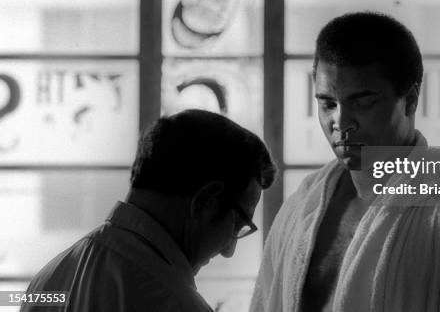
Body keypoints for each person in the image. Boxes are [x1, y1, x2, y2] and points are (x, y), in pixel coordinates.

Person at [250, 12, 440, 312]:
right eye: (328, 104)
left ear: (409, 101)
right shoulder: (302, 205)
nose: (341, 122)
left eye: (363, 101)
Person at [22, 109, 276, 312]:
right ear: (204, 201)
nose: (229, 250)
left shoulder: (47, 281)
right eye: (238, 225)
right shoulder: (177, 304)